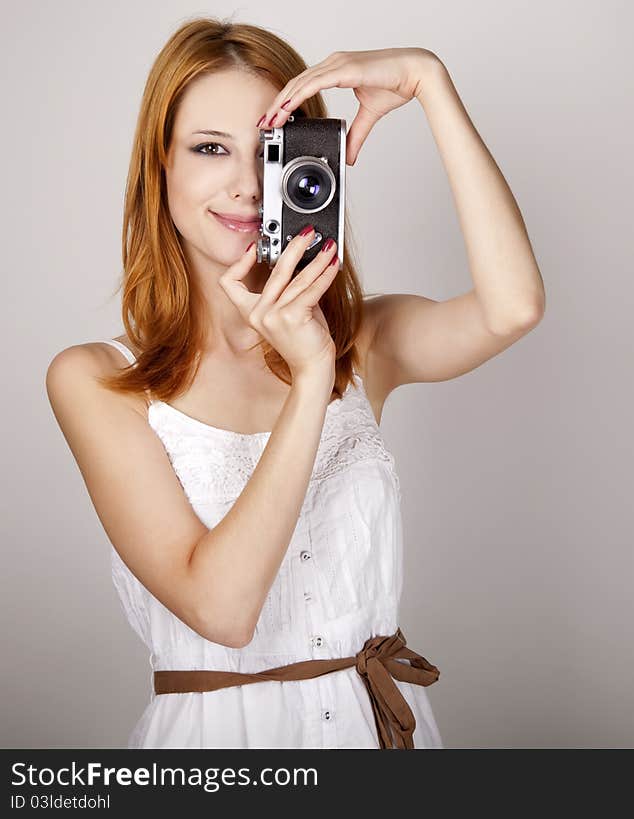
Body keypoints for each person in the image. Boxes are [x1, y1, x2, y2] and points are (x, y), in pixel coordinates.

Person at [45, 18, 545, 749]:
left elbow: (514, 307)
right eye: (210, 148)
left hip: (378, 732)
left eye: (273, 152)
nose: (247, 185)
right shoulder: (99, 380)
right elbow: (223, 609)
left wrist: (429, 82)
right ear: (162, 166)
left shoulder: (365, 342)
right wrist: (311, 378)